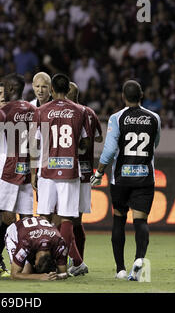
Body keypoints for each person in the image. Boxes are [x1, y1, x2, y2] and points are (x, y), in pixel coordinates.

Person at [91, 80, 161, 281]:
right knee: (141, 221)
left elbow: (110, 149)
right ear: (142, 95)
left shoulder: (116, 118)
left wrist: (99, 172)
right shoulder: (154, 117)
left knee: (119, 219)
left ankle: (120, 269)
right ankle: (139, 259)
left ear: (123, 96)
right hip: (144, 177)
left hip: (121, 178)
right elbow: (155, 143)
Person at [30, 73, 91, 276]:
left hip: (46, 171)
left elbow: (35, 143)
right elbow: (85, 143)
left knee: (45, 216)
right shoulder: (80, 111)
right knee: (66, 218)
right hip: (70, 171)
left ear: (52, 90)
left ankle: (42, 258)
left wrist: (33, 172)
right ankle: (62, 266)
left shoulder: (41, 111)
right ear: (68, 90)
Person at [0, 73, 36, 276]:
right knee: (26, 218)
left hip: (4, 169)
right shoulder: (33, 110)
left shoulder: (3, 112)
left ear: (10, 89)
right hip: (26, 171)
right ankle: (31, 263)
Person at [59, 82, 103, 261]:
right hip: (85, 171)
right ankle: (79, 259)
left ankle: (70, 259)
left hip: (66, 170)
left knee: (62, 217)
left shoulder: (65, 112)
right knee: (77, 220)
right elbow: (99, 138)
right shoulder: (90, 112)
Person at [5, 216, 69, 280]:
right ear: (35, 263)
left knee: (28, 272)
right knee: (26, 272)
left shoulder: (60, 243)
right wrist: (39, 277)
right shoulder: (26, 243)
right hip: (14, 233)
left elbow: (63, 273)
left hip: (34, 233)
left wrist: (57, 276)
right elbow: (14, 275)